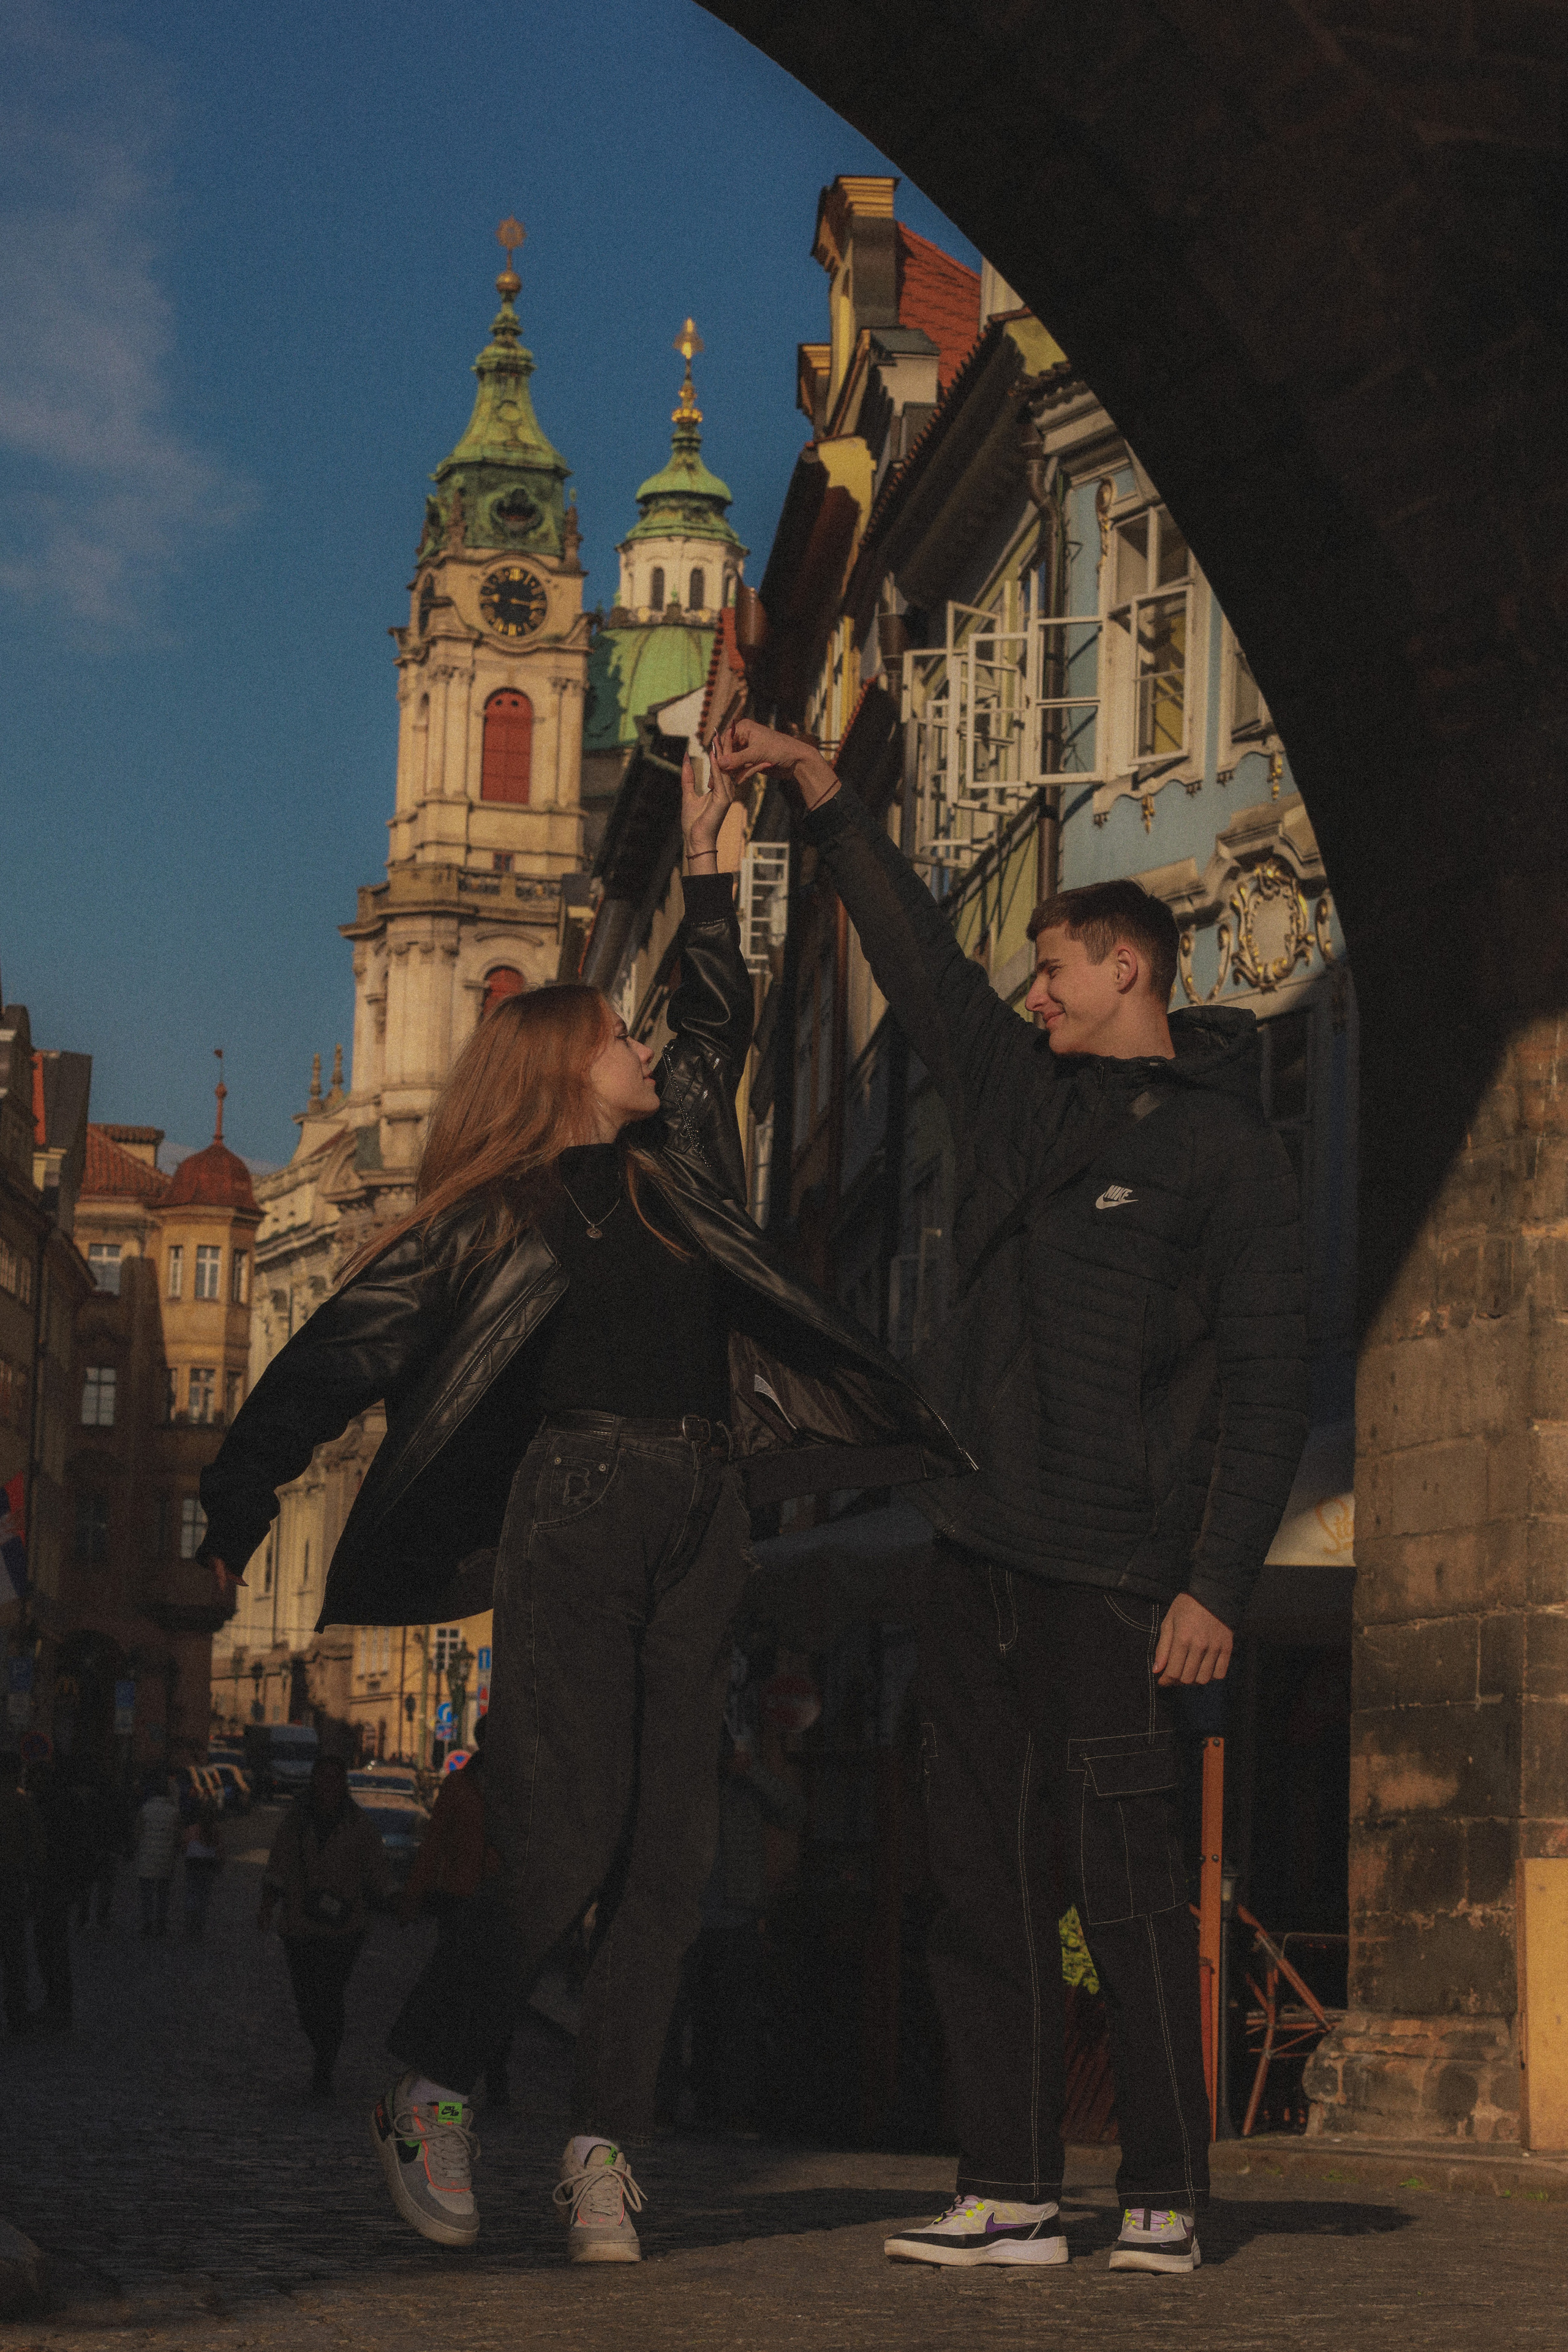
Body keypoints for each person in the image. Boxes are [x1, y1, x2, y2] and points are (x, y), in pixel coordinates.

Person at [195, 753, 966, 2264]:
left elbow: (715, 1011)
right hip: (577, 1502)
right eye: (614, 1034)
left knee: (670, 1852)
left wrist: (701, 869)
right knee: (563, 1834)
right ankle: (428, 2081)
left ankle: (604, 2150)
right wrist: (233, 1506)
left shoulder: (672, 1173)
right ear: (556, 1068)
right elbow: (328, 1359)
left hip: (701, 1501)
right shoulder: (493, 1219)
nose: (640, 1043)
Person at [713, 718, 1308, 2278]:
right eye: (1031, 976)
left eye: (1054, 971)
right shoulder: (1016, 1099)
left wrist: (1217, 1583)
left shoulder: (1228, 1154)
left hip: (1117, 1571)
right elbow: (916, 955)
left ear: (1128, 969)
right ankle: (1013, 2188)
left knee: (1117, 1887)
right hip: (970, 1543)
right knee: (975, 1887)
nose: (1030, 995)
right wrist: (826, 798)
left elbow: (1263, 1377)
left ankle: (1168, 2191)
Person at [395, 1713, 511, 2107]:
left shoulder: (516, 1790)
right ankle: (445, 2071)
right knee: (459, 1991)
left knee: (497, 1994)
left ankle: (496, 2077)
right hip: (460, 1901)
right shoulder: (459, 1785)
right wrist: (414, 1894)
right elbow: (434, 1845)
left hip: (501, 1902)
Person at [259, 1754, 392, 2095]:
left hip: (344, 1927)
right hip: (300, 1924)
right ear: (315, 1780)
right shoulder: (296, 1821)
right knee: (306, 1999)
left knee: (330, 1995)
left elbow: (377, 1872)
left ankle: (325, 2066)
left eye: (336, 1778)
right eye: (324, 1777)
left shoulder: (359, 1824)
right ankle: (323, 2050)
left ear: (343, 1783)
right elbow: (279, 1862)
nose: (330, 1785)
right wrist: (266, 1907)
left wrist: (396, 1904)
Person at [0, 1752, 43, 2036]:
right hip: (12, 1880)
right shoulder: (22, 1803)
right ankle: (16, 2013)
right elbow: (36, 1850)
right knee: (14, 1952)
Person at [132, 1774, 181, 1940]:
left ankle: (147, 1923)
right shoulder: (174, 1812)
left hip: (147, 1856)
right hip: (165, 1857)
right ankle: (160, 1923)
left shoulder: (145, 1809)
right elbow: (177, 1836)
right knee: (163, 1892)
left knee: (146, 1892)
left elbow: (138, 1833)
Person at [181, 1797, 225, 1942]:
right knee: (203, 1897)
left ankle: (189, 1923)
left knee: (192, 1892)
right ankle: (198, 1927)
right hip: (208, 1867)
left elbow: (184, 1846)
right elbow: (220, 1850)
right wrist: (220, 1865)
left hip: (193, 1865)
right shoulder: (215, 1831)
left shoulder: (192, 1829)